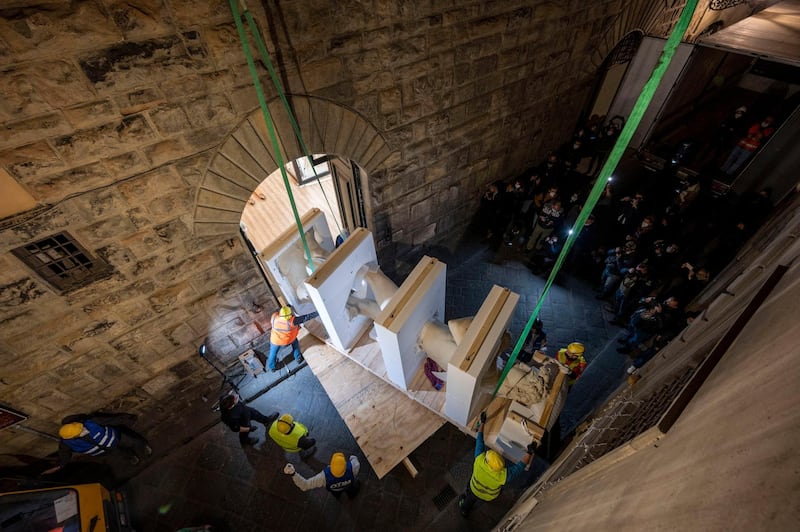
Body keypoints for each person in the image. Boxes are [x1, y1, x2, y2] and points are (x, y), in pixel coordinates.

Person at [457, 411, 534, 517]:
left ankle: (464, 508)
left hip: (474, 489)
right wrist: (530, 452)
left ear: (487, 460)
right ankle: (474, 502)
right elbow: (520, 467)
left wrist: (482, 422)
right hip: (489, 496)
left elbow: (479, 440)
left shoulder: (479, 460)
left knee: (470, 498)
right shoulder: (502, 476)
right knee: (485, 494)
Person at [45, 412, 152, 473]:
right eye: (80, 430)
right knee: (122, 454)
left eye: (79, 426)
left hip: (118, 437)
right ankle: (132, 458)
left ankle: (144, 450)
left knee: (134, 442)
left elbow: (112, 420)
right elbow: (64, 454)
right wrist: (60, 465)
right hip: (107, 451)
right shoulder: (66, 443)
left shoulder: (91, 422)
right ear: (73, 437)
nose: (82, 428)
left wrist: (129, 419)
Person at [284, 452, 361, 498]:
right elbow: (353, 458)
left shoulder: (323, 477)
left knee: (337, 494)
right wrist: (352, 458)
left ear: (331, 465)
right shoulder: (354, 466)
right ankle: (351, 495)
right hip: (348, 485)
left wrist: (293, 474)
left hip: (334, 490)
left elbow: (305, 485)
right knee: (352, 490)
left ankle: (338, 497)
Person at [268, 305, 319, 371]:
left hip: (275, 340)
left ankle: (272, 367)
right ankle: (298, 358)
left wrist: (285, 307)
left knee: (273, 353)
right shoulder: (292, 321)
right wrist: (317, 313)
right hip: (287, 340)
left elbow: (279, 314)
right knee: (295, 345)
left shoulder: (274, 316)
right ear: (289, 315)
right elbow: (306, 317)